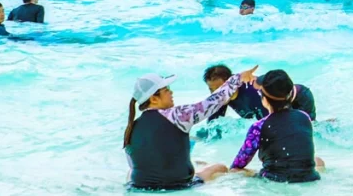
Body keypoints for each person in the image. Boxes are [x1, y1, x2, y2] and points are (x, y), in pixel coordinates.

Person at [123, 65, 257, 190]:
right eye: (166, 90)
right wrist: (238, 78)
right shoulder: (176, 115)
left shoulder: (131, 128)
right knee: (219, 167)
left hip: (139, 186)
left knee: (131, 171)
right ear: (153, 99)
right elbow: (214, 101)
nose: (171, 92)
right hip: (179, 186)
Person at [229, 69, 324, 183]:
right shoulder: (304, 117)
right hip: (309, 177)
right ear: (290, 95)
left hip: (274, 180)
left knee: (233, 171)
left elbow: (239, 163)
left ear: (264, 100)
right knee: (318, 161)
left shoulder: (258, 126)